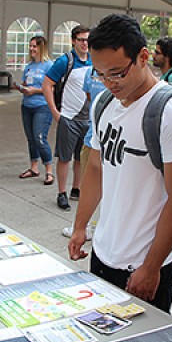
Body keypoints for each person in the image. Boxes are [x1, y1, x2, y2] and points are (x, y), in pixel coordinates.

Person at [68, 14, 172, 313]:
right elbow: (96, 169)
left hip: (145, 265)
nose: (108, 83)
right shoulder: (104, 105)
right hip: (103, 253)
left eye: (116, 73)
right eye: (100, 74)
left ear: (143, 57)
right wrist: (80, 227)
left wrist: (152, 266)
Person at [43, 25, 92, 211]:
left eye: (88, 40)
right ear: (73, 41)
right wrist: (55, 112)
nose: (85, 43)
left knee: (81, 157)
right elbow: (47, 84)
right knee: (64, 157)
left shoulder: (93, 60)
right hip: (69, 117)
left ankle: (76, 188)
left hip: (87, 119)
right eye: (81, 40)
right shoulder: (65, 61)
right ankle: (61, 193)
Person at [62, 66, 106, 240]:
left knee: (106, 187)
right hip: (92, 137)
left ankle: (98, 227)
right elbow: (90, 98)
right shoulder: (90, 73)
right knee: (89, 182)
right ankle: (84, 225)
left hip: (108, 140)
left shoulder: (114, 72)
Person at [13, 36, 54, 185]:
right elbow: (25, 83)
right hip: (27, 106)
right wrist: (20, 87)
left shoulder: (49, 66)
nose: (31, 49)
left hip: (42, 106)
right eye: (30, 46)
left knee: (39, 137)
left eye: (34, 46)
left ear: (41, 48)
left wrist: (35, 91)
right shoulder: (29, 66)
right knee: (31, 139)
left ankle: (49, 170)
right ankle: (34, 167)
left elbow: (52, 88)